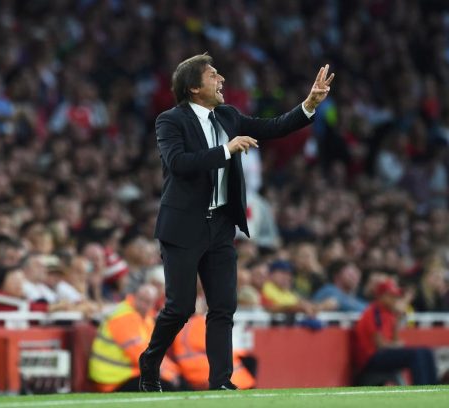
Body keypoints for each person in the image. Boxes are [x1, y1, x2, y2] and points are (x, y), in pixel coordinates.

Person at [139, 53, 334, 392]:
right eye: (213, 75)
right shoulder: (170, 121)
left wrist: (308, 105)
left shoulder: (228, 115)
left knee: (223, 307)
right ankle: (150, 362)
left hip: (220, 226)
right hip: (183, 227)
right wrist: (226, 151)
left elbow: (273, 127)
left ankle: (220, 383)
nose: (222, 80)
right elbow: (178, 163)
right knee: (180, 308)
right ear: (194, 87)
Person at [89, 284, 181, 392]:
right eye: (141, 299)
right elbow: (140, 356)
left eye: (147, 302)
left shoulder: (146, 319)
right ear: (134, 296)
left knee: (177, 381)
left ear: (153, 304)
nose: (143, 304)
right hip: (112, 379)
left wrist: (174, 371)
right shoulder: (124, 317)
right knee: (167, 385)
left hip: (128, 374)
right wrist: (169, 375)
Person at [352, 278, 438, 385]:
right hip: (370, 359)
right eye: (391, 296)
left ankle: (434, 388)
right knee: (416, 354)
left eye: (396, 296)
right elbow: (380, 345)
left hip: (384, 353)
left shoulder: (389, 313)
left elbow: (395, 340)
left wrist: (398, 319)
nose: (395, 299)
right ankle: (421, 389)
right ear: (382, 296)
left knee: (426, 351)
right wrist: (397, 345)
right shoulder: (373, 312)